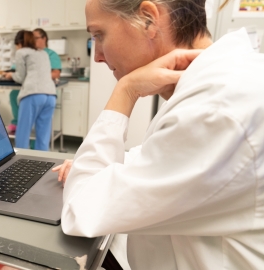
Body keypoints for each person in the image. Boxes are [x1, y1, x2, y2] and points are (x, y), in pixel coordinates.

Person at [52, 0, 264, 269]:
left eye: (99, 35)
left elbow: (80, 211)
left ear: (148, 20)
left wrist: (125, 91)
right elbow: (161, 155)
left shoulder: (215, 109)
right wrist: (95, 171)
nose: (98, 56)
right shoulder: (224, 82)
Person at [4, 30, 56, 151]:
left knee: (23, 132)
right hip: (50, 95)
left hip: (33, 94)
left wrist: (10, 75)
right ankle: (43, 163)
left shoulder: (21, 52)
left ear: (19, 43)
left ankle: (21, 163)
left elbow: (20, 77)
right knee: (43, 136)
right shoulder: (43, 53)